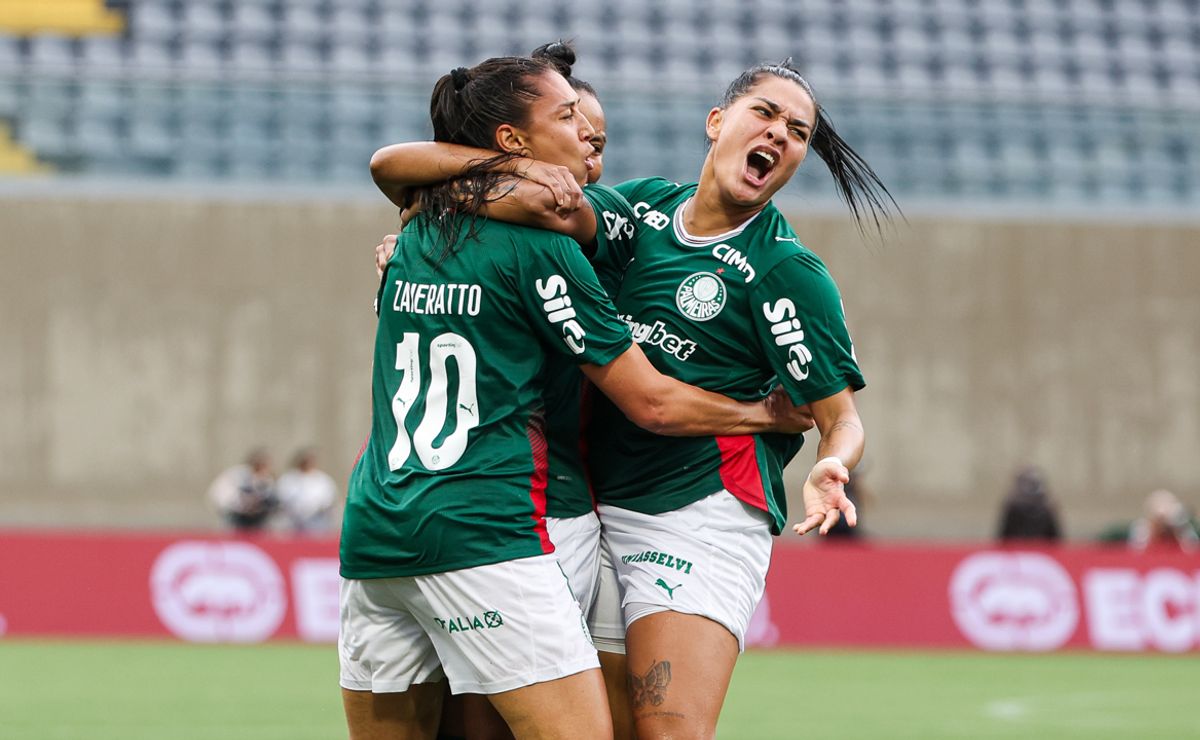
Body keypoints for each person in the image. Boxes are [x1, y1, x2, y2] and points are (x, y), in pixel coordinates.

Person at [369, 55, 895, 738]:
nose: (779, 135)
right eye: (764, 114)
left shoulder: (787, 273)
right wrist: (426, 223)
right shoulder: (643, 211)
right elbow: (458, 184)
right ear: (717, 122)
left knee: (667, 730)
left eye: (797, 132)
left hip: (698, 511)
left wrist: (834, 463)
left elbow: (840, 417)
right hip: (594, 505)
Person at [207, 447, 278, 532]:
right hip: (234, 514)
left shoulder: (265, 479)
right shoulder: (239, 474)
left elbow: (268, 499)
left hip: (254, 517)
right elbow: (229, 497)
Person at [276, 447, 339, 534]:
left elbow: (329, 501)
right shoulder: (288, 479)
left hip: (317, 522)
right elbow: (283, 498)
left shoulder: (323, 480)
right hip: (294, 522)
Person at [996, 466, 1062, 542]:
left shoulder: (1047, 507)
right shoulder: (1013, 506)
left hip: (1038, 549)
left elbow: (1054, 537)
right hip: (1019, 548)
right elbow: (1005, 535)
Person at [1128, 489, 1199, 553]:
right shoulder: (1142, 528)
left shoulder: (1183, 528)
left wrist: (1178, 531)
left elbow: (1193, 551)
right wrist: (1154, 531)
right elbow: (1136, 552)